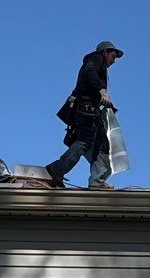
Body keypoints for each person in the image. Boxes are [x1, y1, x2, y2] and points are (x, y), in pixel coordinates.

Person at [46, 41, 124, 189]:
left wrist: (110, 106)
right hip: (85, 108)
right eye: (113, 56)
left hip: (90, 109)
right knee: (85, 142)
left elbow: (91, 86)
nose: (114, 61)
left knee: (101, 146)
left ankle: (97, 181)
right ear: (105, 52)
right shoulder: (95, 58)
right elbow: (89, 72)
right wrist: (102, 90)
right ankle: (58, 169)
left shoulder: (100, 65)